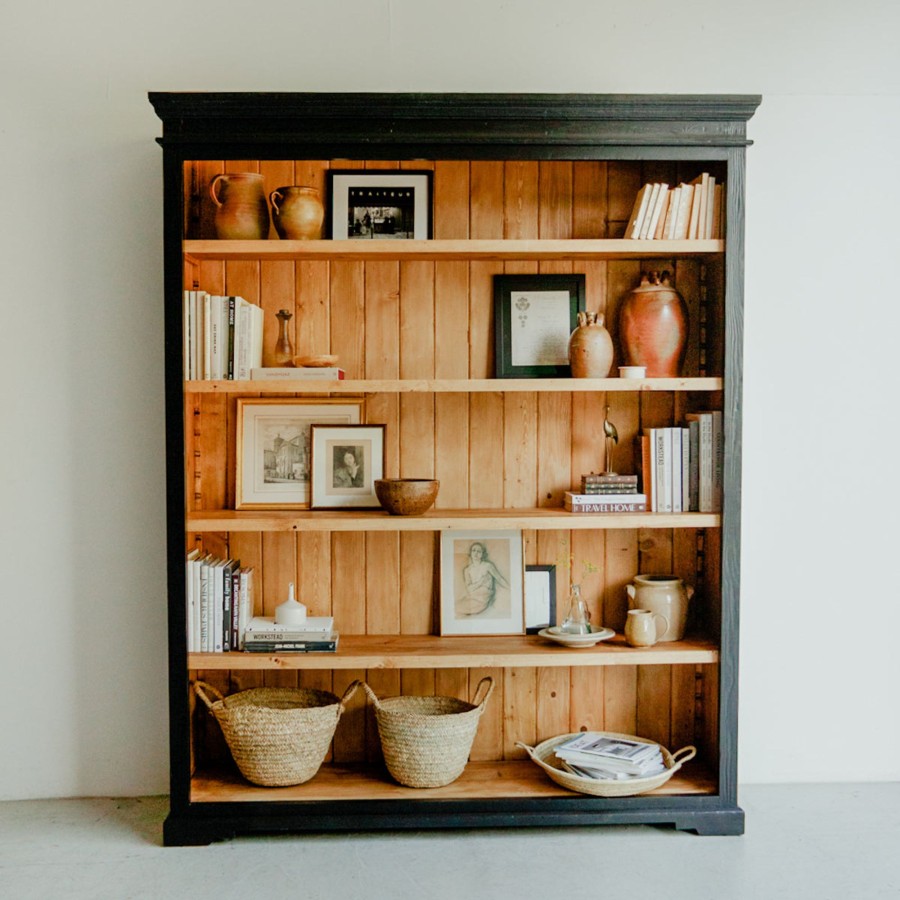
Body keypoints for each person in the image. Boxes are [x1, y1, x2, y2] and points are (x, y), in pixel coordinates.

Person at [457, 542, 509, 616]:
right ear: (471, 553)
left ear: (482, 554)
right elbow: (469, 589)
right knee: (457, 606)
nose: (476, 553)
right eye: (473, 550)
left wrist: (510, 588)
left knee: (459, 608)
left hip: (482, 599)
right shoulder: (467, 570)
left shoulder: (488, 566)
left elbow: (499, 578)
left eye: (479, 551)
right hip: (472, 596)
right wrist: (481, 581)